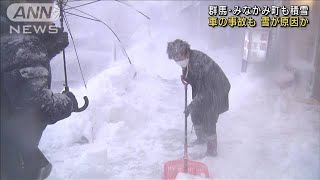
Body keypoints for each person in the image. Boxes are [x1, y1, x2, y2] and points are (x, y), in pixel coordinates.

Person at [1, 1, 80, 179]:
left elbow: (16, 72)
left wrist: (46, 46)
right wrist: (67, 101)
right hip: (11, 159)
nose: (48, 13)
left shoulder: (9, 33)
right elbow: (39, 107)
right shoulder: (24, 45)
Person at [167, 39, 231, 157]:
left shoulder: (198, 62)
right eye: (176, 60)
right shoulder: (189, 59)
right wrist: (185, 77)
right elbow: (190, 72)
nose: (178, 61)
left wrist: (191, 105)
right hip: (206, 88)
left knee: (209, 116)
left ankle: (212, 150)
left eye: (179, 58)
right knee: (196, 112)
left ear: (185, 51)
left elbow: (205, 91)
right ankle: (201, 139)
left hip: (218, 88)